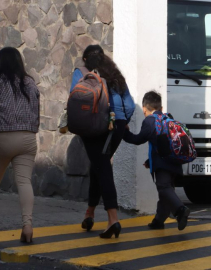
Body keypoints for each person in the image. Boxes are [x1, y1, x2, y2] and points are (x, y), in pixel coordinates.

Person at [0, 47, 40, 243]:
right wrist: (30, 131)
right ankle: (27, 226)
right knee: (24, 182)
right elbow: (36, 111)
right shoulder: (30, 82)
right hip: (27, 139)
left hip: (2, 138)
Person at [70, 45, 135, 238]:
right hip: (118, 126)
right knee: (98, 166)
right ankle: (90, 213)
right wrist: (123, 122)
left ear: (85, 58)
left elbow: (75, 99)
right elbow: (130, 105)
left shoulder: (81, 73)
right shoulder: (116, 75)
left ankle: (113, 219)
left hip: (94, 126)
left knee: (103, 168)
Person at [123, 91, 190, 231]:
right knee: (165, 191)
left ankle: (180, 210)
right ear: (161, 108)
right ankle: (158, 221)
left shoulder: (149, 121)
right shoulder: (168, 118)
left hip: (163, 165)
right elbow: (163, 143)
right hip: (174, 162)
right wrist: (150, 160)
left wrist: (124, 132)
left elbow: (138, 139)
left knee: (164, 188)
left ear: (144, 109)